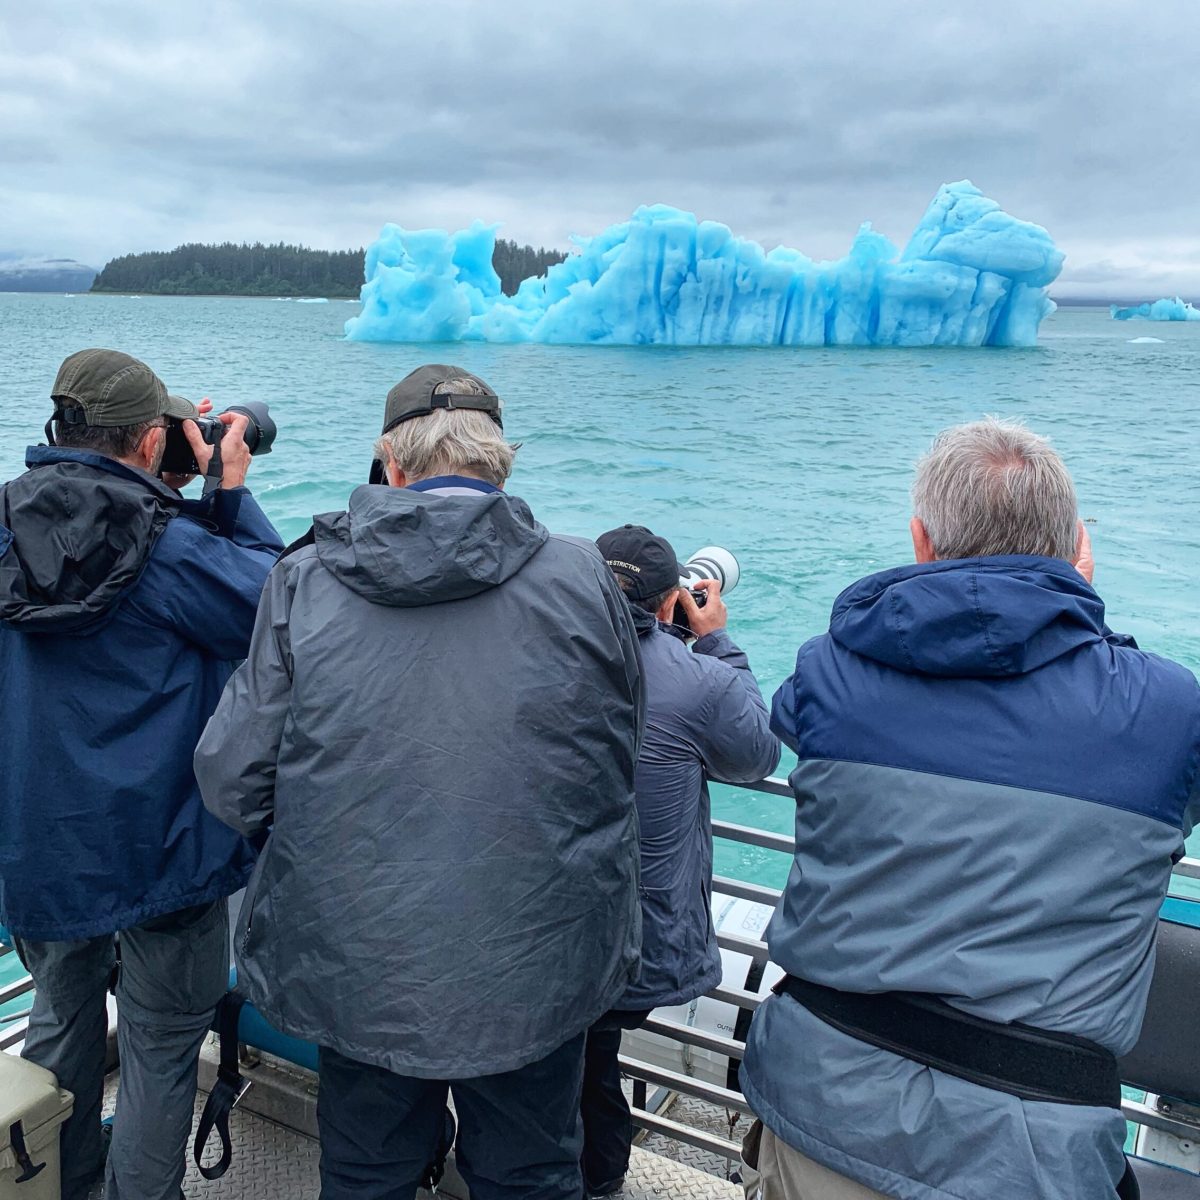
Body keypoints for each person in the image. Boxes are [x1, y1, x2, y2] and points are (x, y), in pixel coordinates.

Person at [194, 364, 644, 1200]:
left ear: (391, 465)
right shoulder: (585, 578)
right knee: (532, 1174)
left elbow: (231, 780)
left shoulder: (305, 581)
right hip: (536, 961)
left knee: (367, 1172)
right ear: (500, 463)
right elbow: (617, 748)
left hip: (354, 960)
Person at [739, 417, 1200, 1200]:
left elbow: (789, 723)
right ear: (1077, 547)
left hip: (816, 1098)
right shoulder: (1168, 711)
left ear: (921, 540)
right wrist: (1075, 609)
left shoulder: (830, 669)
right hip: (1028, 1156)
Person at [0, 348, 283, 1200]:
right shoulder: (172, 548)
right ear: (154, 439)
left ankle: (64, 1182)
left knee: (60, 1021)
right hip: (165, 857)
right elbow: (276, 608)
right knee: (160, 1050)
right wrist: (226, 492)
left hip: (37, 847)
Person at [583, 525, 780, 1196]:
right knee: (586, 1072)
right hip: (637, 947)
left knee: (578, 1069)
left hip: (542, 925)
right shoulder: (698, 680)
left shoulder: (544, 652)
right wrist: (717, 640)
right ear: (673, 601)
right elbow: (756, 757)